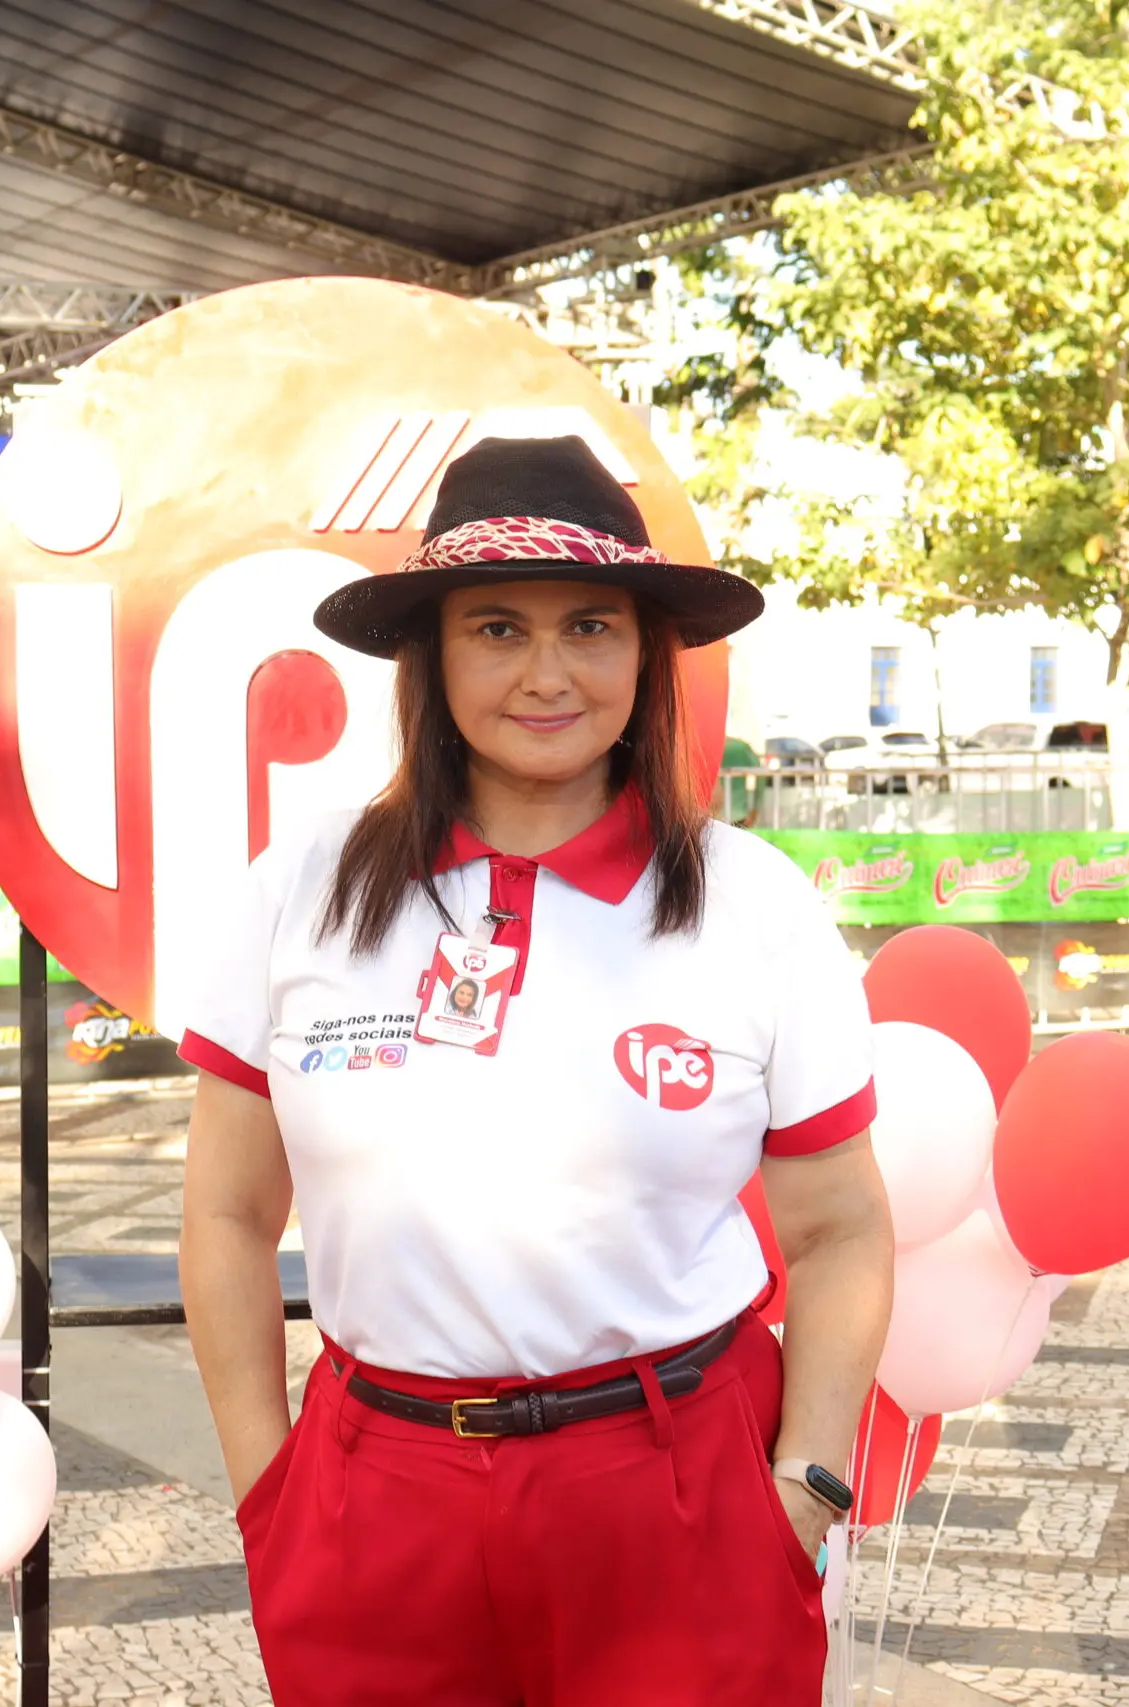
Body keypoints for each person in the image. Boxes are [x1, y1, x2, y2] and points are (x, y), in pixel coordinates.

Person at [177, 436, 893, 1706]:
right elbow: (228, 1216)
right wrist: (267, 1491)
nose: (548, 674)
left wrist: (807, 1485)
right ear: (432, 656)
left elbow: (841, 1229)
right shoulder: (300, 892)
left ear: (647, 654)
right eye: (497, 628)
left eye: (591, 628)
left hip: (679, 1493)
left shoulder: (752, 903)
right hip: (376, 1505)